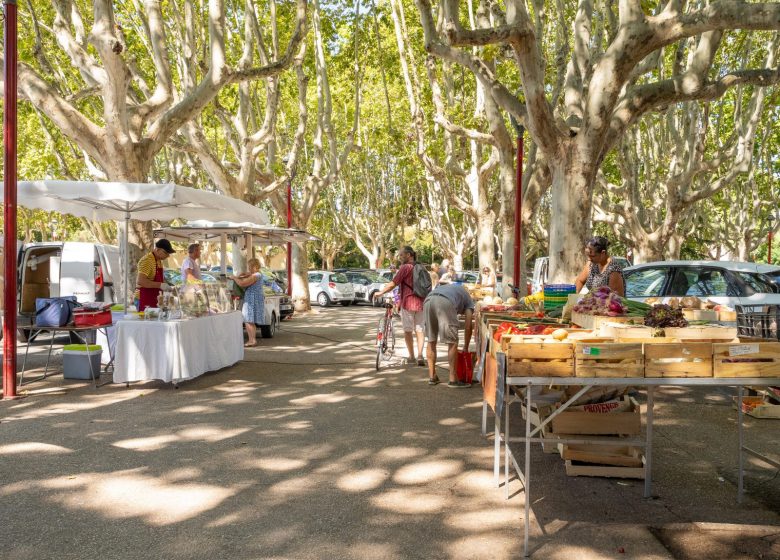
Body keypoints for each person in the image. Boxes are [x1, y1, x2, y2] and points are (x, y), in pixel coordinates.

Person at [373, 246, 426, 366]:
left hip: (408, 302)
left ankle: (411, 357)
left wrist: (381, 292)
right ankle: (420, 356)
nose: (400, 257)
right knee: (420, 330)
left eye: (401, 255)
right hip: (422, 302)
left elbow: (393, 283)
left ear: (408, 255)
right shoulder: (421, 266)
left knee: (408, 330)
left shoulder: (405, 267)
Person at [423, 282, 475, 388]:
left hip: (428, 300)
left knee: (431, 340)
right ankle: (453, 379)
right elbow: (468, 326)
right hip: (445, 302)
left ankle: (432, 377)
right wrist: (466, 346)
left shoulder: (451, 289)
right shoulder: (469, 299)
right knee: (452, 342)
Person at [231, 258, 265, 347]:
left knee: (248, 319)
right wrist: (243, 275)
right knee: (250, 320)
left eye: (250, 267)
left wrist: (234, 278)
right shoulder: (258, 274)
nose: (249, 268)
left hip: (251, 299)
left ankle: (252, 340)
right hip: (253, 298)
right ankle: (252, 340)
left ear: (255, 266)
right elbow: (247, 275)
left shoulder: (256, 275)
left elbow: (242, 284)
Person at [135, 239, 175, 311]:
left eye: (168, 254)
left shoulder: (158, 261)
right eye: (166, 253)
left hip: (155, 298)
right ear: (158, 250)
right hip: (145, 299)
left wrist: (168, 285)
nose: (168, 256)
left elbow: (159, 279)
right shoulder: (147, 260)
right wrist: (160, 285)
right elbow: (140, 281)